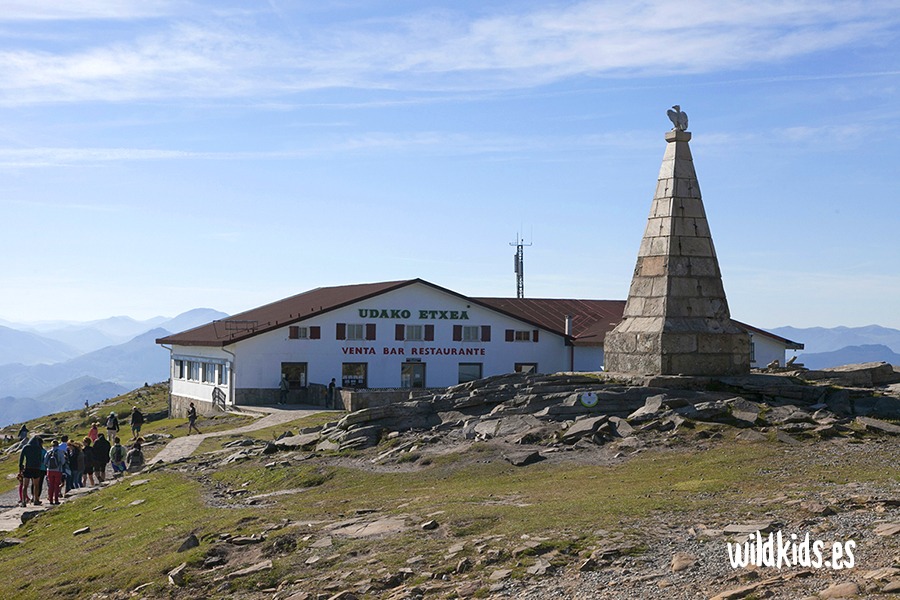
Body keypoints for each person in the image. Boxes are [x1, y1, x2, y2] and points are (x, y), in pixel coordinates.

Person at [18, 436, 43, 506]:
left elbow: (21, 458)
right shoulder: (38, 448)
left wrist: (20, 467)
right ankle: (36, 500)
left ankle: (23, 502)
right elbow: (40, 458)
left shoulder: (26, 447)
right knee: (36, 485)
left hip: (28, 467)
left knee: (25, 485)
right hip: (36, 468)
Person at [42, 439, 66, 505]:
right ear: (58, 445)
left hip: (49, 470)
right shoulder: (60, 452)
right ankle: (56, 499)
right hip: (58, 470)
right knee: (56, 485)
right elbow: (63, 462)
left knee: (51, 485)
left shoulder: (48, 452)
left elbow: (45, 462)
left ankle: (50, 500)